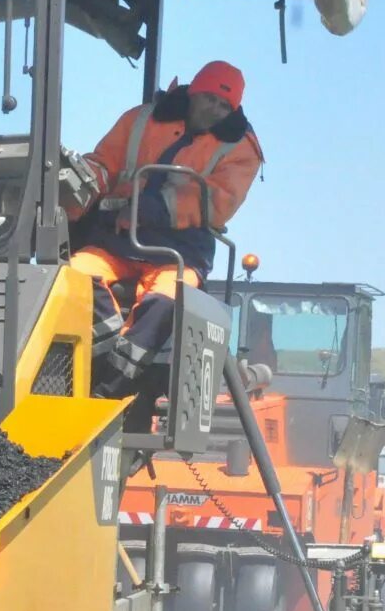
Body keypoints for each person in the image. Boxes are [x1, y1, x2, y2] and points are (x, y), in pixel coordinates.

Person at [67, 61, 263, 398]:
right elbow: (105, 163)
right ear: (193, 92)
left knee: (165, 300)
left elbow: (219, 201)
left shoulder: (241, 149)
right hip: (116, 240)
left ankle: (113, 385)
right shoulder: (140, 119)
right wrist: (77, 183)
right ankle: (108, 349)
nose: (214, 109)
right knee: (74, 274)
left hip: (180, 253)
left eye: (224, 106)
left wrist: (152, 209)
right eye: (209, 98)